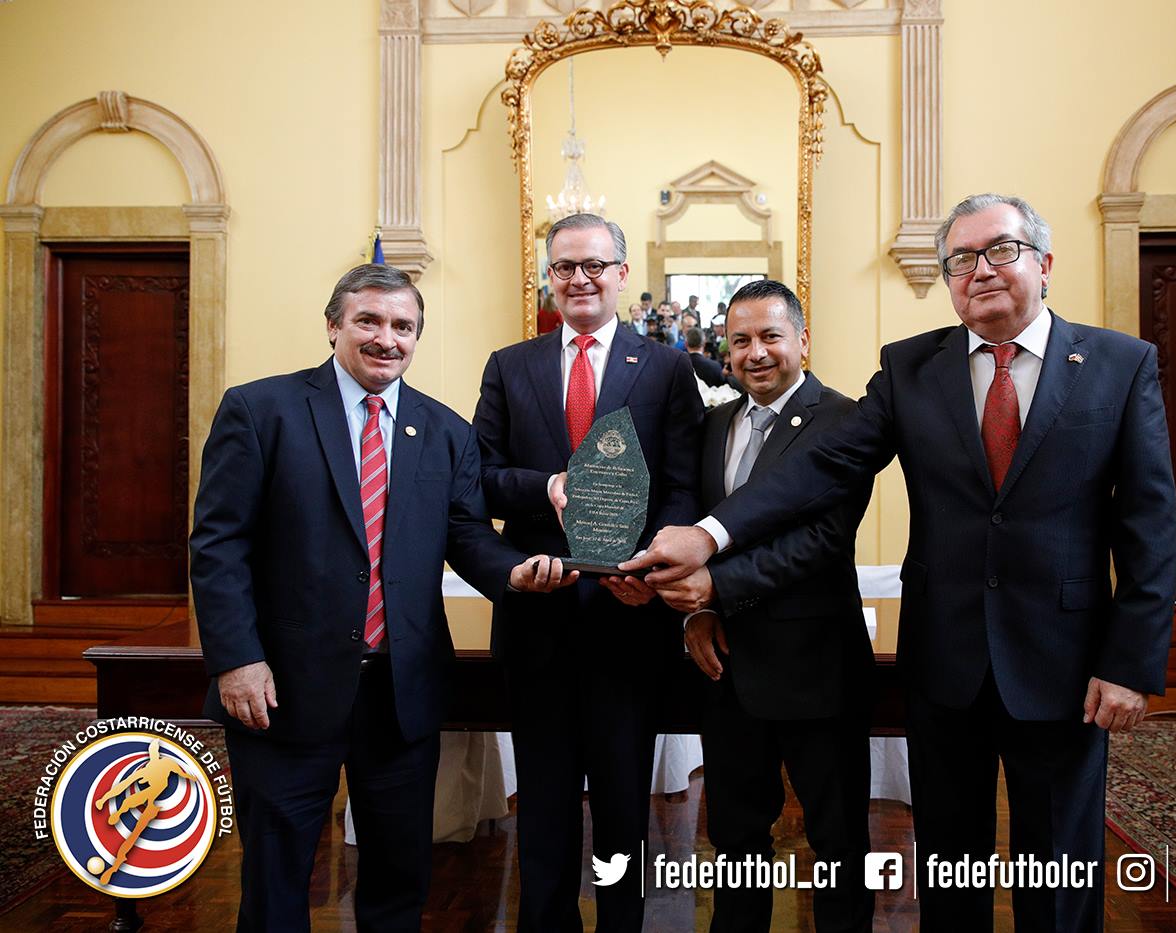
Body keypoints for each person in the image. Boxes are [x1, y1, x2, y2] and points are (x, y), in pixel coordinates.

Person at [625, 193, 1176, 932]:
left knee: (1059, 862)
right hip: (945, 659)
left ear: (1044, 263)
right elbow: (823, 466)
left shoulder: (1120, 363)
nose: (980, 270)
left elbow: (1150, 523)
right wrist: (712, 533)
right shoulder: (913, 367)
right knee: (950, 862)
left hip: (1064, 661)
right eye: (960, 259)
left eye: (1001, 251)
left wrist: (1132, 661)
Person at [189, 264, 574, 931]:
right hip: (281, 690)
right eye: (369, 320)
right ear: (334, 324)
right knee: (276, 879)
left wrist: (512, 573)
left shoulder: (446, 431)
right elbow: (218, 544)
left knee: (399, 880)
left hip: (402, 695)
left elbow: (465, 534)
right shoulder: (260, 411)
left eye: (403, 326)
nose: (386, 338)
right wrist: (236, 659)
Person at [473, 213, 704, 932]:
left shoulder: (666, 367)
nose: (580, 278)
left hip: (628, 615)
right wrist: (545, 486)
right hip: (537, 615)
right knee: (541, 800)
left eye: (595, 265)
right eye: (566, 266)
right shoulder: (509, 365)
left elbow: (682, 484)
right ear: (550, 274)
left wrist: (656, 565)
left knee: (622, 797)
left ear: (622, 275)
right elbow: (477, 477)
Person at [659, 280, 875, 932]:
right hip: (726, 671)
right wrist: (697, 613)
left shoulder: (844, 420)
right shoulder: (715, 422)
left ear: (802, 340)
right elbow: (699, 531)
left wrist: (717, 590)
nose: (755, 353)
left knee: (838, 843)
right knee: (735, 842)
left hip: (818, 670)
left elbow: (823, 538)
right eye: (741, 339)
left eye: (770, 336)